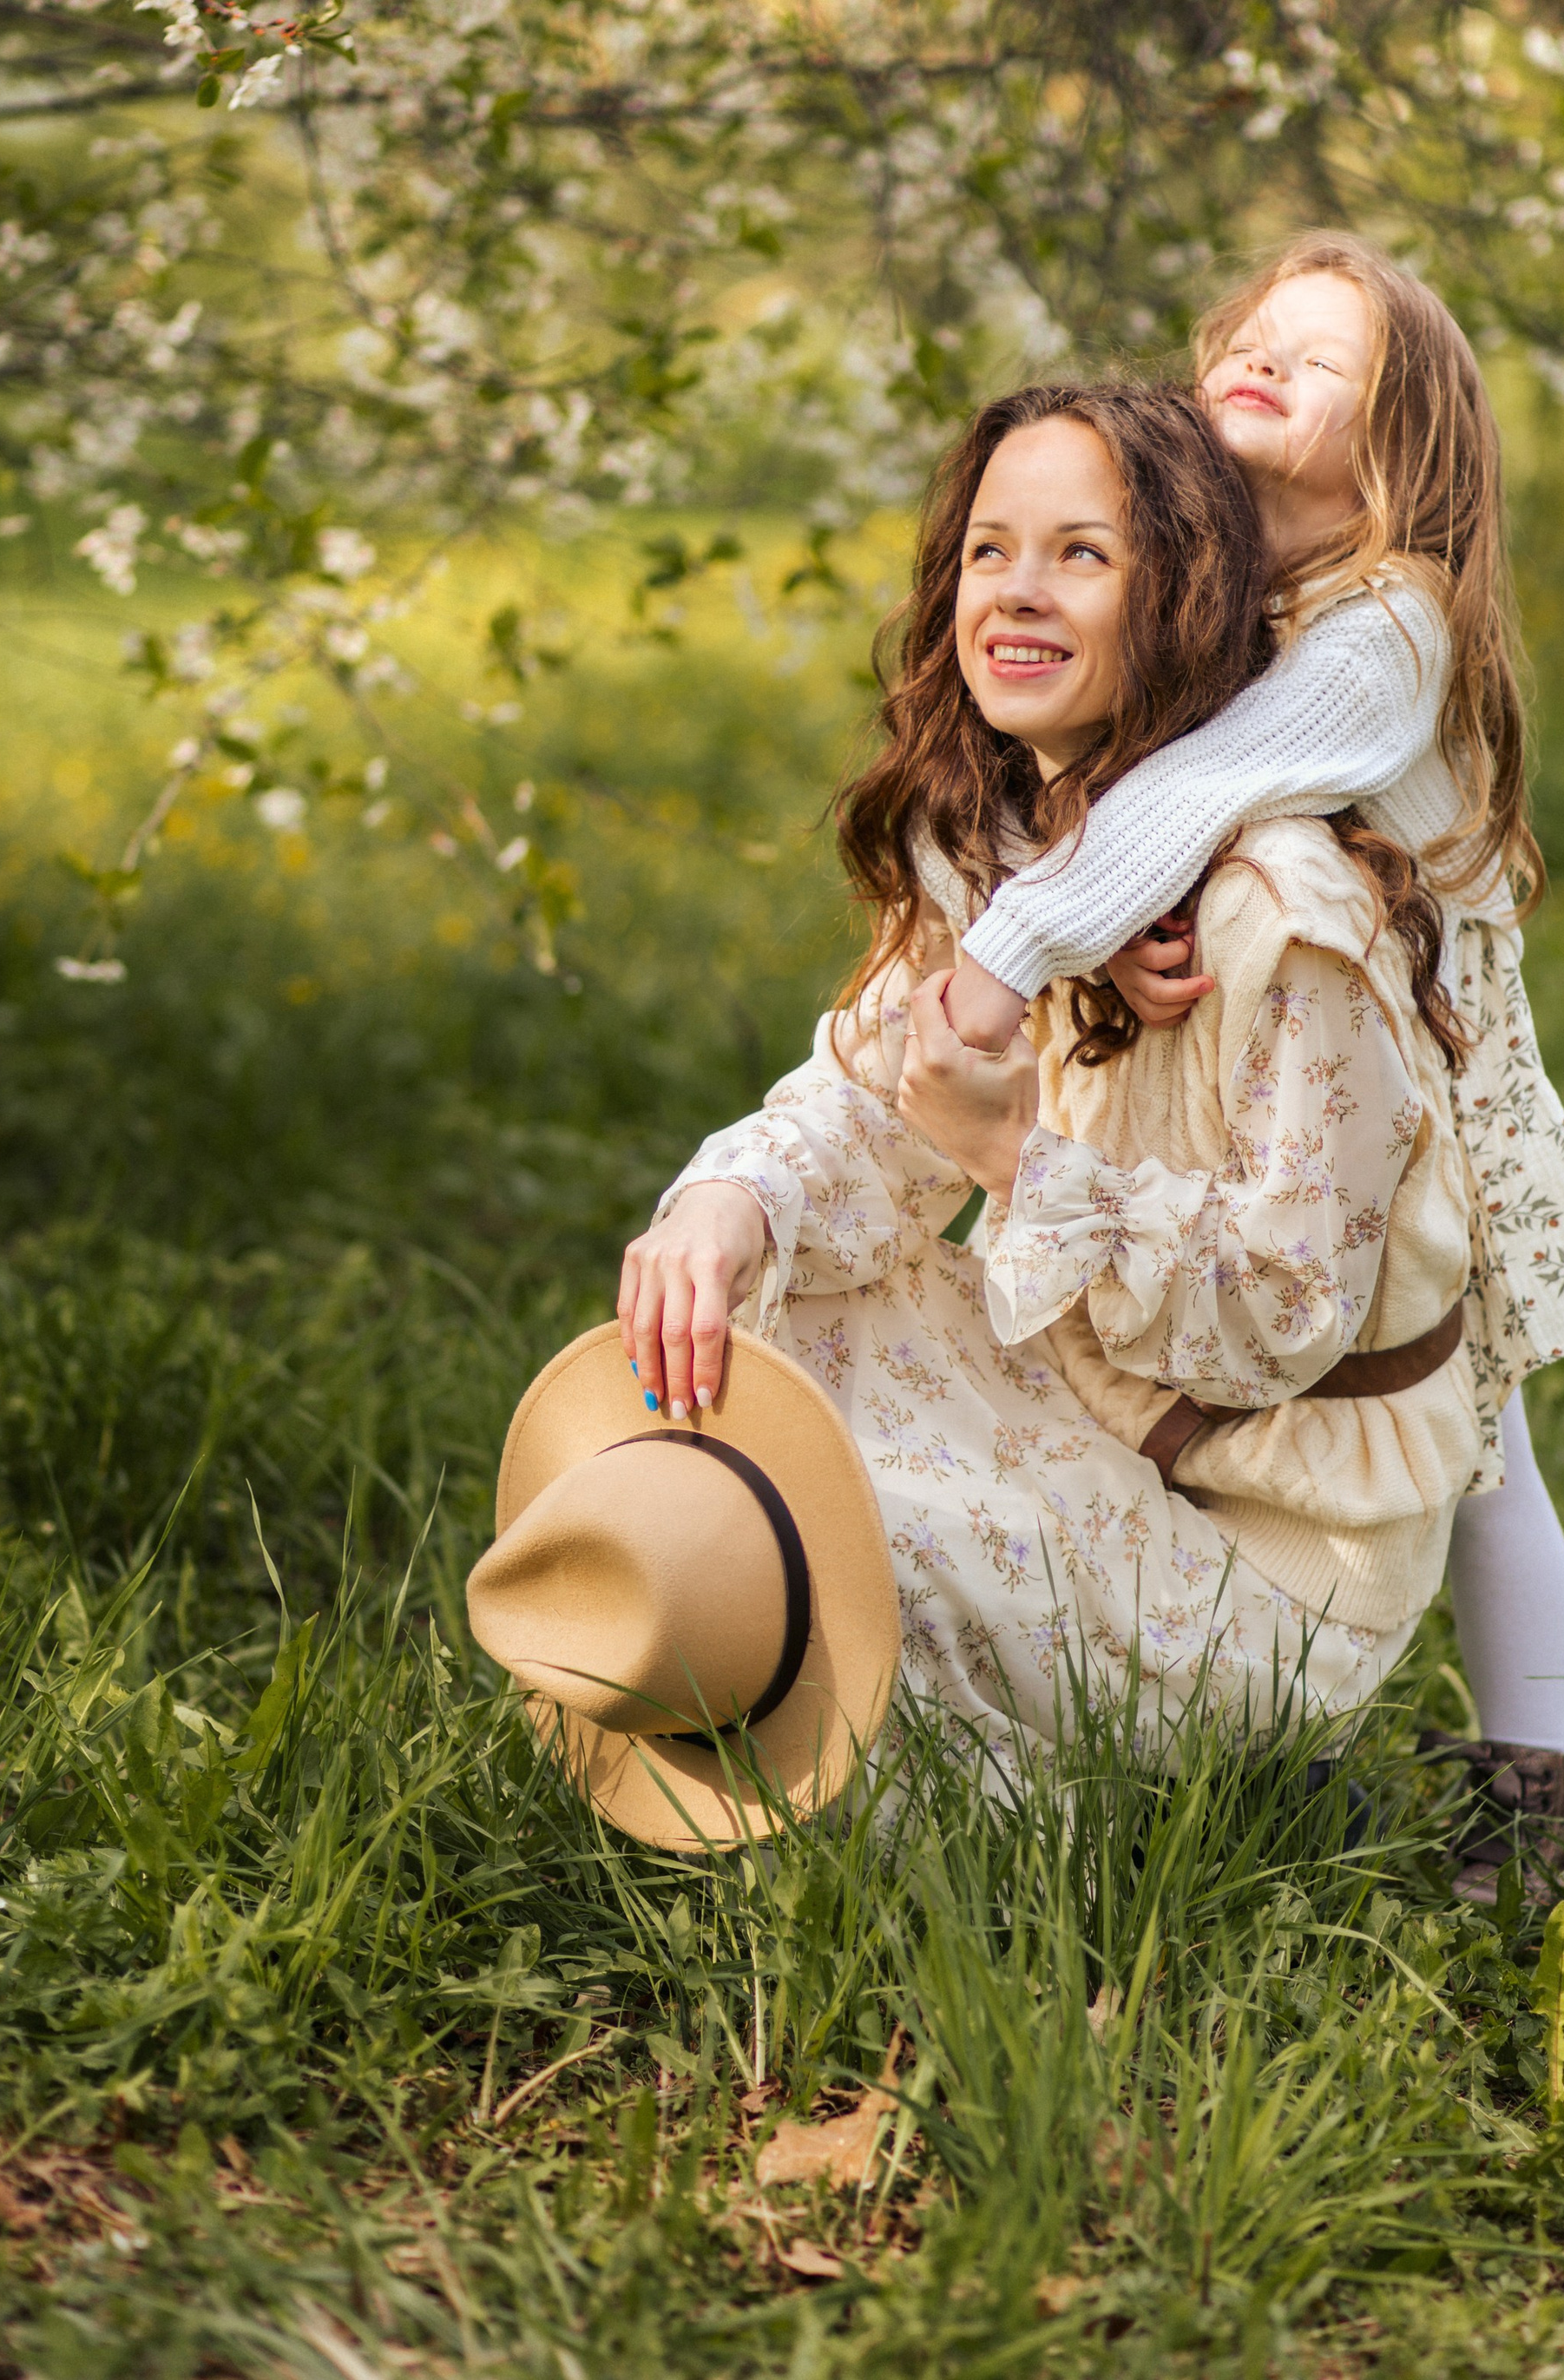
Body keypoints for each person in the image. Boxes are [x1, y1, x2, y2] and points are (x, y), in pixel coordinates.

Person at [616, 379, 1508, 1786]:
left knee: (832, 1544)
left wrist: (1017, 1160)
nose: (1016, 596)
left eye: (1080, 555)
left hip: (1274, 1558)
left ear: (1190, 596)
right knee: (743, 1329)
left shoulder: (1279, 912)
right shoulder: (1024, 847)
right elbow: (868, 1089)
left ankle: (1029, 1865)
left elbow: (1278, 1317)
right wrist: (725, 1203)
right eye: (990, 551)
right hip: (1107, 1422)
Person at [930, 233, 1564, 1896]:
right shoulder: (1231, 591)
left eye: (1323, 362)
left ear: (1401, 447)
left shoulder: (1389, 621)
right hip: (1282, 1065)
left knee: (1475, 1442)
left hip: (1433, 1099)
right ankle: (1267, 1684)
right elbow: (1106, 772)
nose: (1261, 358)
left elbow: (1201, 784)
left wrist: (1022, 943)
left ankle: (1534, 1791)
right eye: (1253, 332)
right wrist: (1099, 913)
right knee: (1266, 1394)